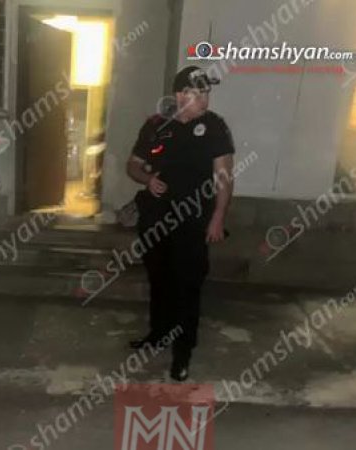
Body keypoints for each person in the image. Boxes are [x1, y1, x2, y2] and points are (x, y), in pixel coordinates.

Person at [126, 66, 235, 381]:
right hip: (156, 218)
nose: (205, 99)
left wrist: (218, 217)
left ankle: (182, 351)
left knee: (188, 284)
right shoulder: (156, 125)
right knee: (159, 279)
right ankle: (158, 334)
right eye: (199, 93)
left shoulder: (214, 126)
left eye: (206, 93)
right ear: (180, 95)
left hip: (193, 219)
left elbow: (224, 176)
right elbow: (133, 165)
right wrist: (147, 180)